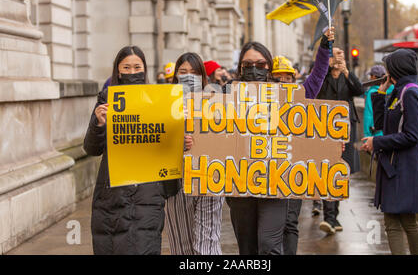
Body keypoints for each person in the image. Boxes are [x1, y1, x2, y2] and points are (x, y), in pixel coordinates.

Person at [225, 27, 335, 255]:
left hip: (276, 184)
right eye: (247, 65)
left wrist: (330, 144)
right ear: (239, 68)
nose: (253, 69)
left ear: (268, 67)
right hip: (239, 186)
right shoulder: (225, 96)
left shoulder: (285, 96)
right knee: (247, 250)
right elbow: (208, 134)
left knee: (269, 245)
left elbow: (314, 84)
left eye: (260, 64)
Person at [84, 46, 181, 255]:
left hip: (147, 192)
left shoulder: (159, 100)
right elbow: (91, 148)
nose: (131, 71)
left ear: (144, 70)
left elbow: (167, 143)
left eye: (137, 66)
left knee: (145, 246)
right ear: (118, 71)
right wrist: (98, 124)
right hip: (113, 193)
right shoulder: (106, 100)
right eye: (126, 67)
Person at [361, 48, 418, 255]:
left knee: (397, 222)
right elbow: (380, 124)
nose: (386, 71)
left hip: (404, 167)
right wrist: (382, 92)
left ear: (396, 68)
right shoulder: (400, 91)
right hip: (395, 165)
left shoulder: (411, 93)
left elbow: (412, 136)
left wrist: (377, 142)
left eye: (389, 67)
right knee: (407, 221)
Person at [164, 52, 225, 255]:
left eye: (194, 72)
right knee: (181, 244)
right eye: (183, 72)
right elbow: (155, 141)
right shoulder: (163, 105)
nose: (188, 76)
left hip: (209, 177)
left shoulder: (218, 101)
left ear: (203, 77)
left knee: (207, 243)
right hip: (177, 181)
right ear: (175, 77)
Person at [316, 47, 364, 235]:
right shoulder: (322, 77)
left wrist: (346, 71)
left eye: (341, 54)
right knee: (328, 170)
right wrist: (325, 68)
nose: (339, 57)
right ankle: (329, 217)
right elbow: (314, 90)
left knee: (341, 171)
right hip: (325, 129)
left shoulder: (347, 77)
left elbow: (359, 90)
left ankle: (334, 215)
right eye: (335, 54)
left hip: (346, 129)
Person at [271, 56, 303, 255]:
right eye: (277, 78)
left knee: (290, 221)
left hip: (293, 168)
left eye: (287, 77)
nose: (283, 81)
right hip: (268, 170)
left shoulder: (303, 99)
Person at [364, 65, 394, 137]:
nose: (370, 78)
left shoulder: (373, 93)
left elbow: (369, 114)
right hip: (389, 131)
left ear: (374, 77)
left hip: (375, 132)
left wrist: (367, 135)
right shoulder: (393, 90)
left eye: (371, 75)